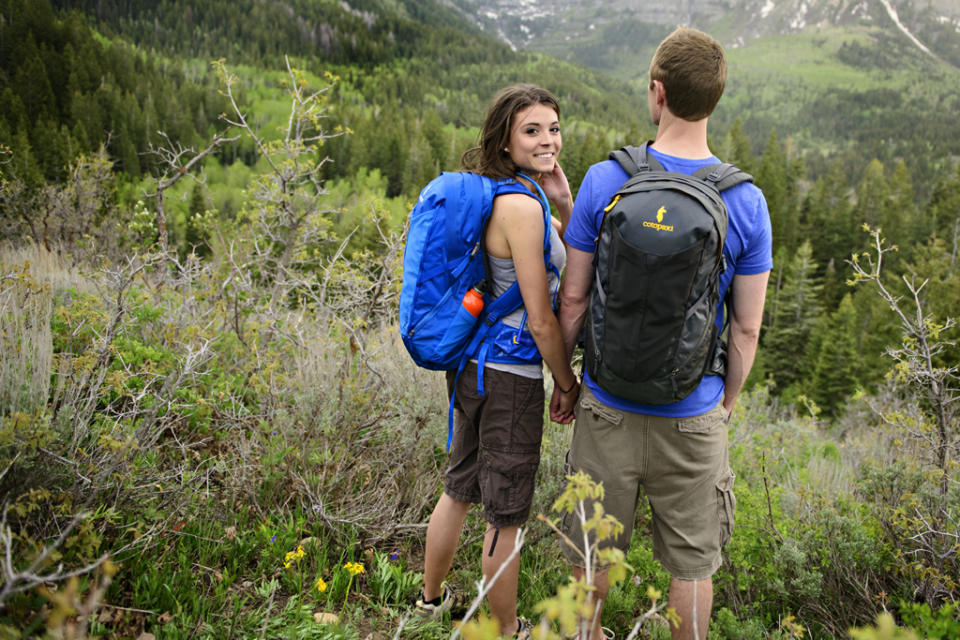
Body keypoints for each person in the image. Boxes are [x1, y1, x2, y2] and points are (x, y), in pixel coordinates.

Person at [549, 28, 772, 640]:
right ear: (714, 99)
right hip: (693, 411)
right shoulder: (745, 201)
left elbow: (572, 298)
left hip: (606, 408)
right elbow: (748, 327)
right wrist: (723, 400)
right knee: (692, 566)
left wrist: (567, 382)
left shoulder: (603, 179)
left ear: (657, 92)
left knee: (590, 556)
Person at [416, 84, 581, 638]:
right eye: (531, 131)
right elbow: (541, 319)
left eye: (553, 128)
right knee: (504, 513)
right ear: (505, 142)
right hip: (511, 378)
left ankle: (430, 603)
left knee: (459, 488)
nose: (547, 140)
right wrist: (566, 380)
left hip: (472, 368)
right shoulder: (520, 209)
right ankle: (506, 628)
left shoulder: (506, 195)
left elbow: (573, 250)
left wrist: (563, 200)